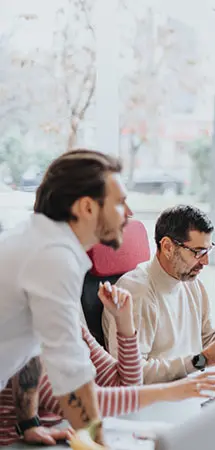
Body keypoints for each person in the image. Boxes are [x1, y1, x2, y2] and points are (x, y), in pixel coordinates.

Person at [0, 149, 132, 445]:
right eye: (120, 203)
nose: (129, 214)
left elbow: (32, 346)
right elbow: (70, 374)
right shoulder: (53, 257)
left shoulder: (42, 242)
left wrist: (28, 421)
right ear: (86, 207)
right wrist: (98, 445)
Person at [1, 283, 215, 446]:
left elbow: (125, 384)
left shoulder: (195, 289)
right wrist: (173, 389)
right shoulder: (21, 327)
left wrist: (124, 323)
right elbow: (78, 401)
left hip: (65, 435)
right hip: (21, 444)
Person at [104, 205, 215, 384]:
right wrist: (202, 360)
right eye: (198, 252)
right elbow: (134, 374)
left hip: (189, 389)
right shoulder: (137, 293)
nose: (205, 261)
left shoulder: (190, 282)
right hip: (159, 401)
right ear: (168, 247)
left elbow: (207, 334)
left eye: (208, 250)